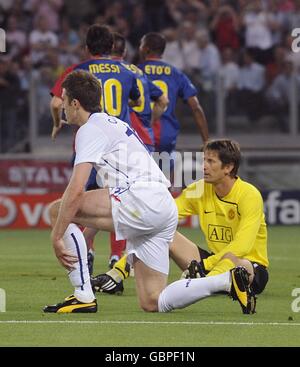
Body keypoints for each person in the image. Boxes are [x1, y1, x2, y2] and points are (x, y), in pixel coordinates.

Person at [43, 71, 254, 314]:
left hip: (141, 200)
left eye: (64, 99)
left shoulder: (89, 130)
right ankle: (227, 281)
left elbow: (76, 191)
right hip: (162, 206)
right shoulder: (113, 124)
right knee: (152, 301)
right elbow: (106, 203)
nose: (62, 107)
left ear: (75, 103)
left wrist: (57, 236)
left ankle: (83, 295)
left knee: (57, 210)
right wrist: (85, 233)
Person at [92, 137, 267, 315]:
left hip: (250, 266)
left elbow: (241, 246)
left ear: (228, 167)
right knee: (162, 233)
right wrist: (119, 270)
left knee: (240, 263)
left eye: (211, 161)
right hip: (212, 262)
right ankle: (117, 276)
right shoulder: (200, 189)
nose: (203, 166)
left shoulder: (249, 195)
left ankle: (211, 282)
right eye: (203, 160)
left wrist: (205, 266)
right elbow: (160, 219)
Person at [50, 24, 142, 276]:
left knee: (76, 202)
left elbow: (56, 101)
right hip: (118, 147)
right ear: (112, 47)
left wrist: (58, 124)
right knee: (116, 201)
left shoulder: (77, 71)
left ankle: (83, 253)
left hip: (88, 144)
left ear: (86, 47)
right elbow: (139, 101)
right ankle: (117, 257)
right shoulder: (127, 70)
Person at [105, 32, 169, 279]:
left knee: (114, 196)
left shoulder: (111, 72)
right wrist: (152, 121)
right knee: (129, 199)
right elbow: (162, 99)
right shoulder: (137, 72)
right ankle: (122, 256)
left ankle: (108, 254)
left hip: (121, 143)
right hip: (145, 142)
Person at [138, 32, 209, 172]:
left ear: (145, 49)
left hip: (142, 134)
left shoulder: (134, 71)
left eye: (141, 45)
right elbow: (195, 107)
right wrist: (206, 141)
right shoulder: (175, 73)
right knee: (165, 184)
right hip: (166, 136)